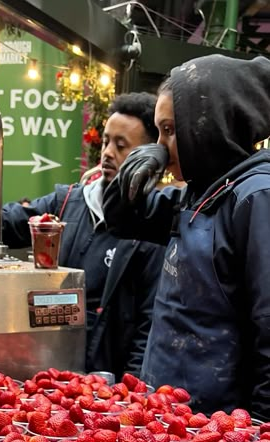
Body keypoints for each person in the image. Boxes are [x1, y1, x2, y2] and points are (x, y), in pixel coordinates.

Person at [0, 93, 165, 381]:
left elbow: (149, 322)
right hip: (54, 367)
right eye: (106, 141)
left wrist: (132, 390)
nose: (107, 153)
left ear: (146, 156)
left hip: (107, 379)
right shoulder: (67, 202)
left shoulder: (152, 224)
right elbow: (4, 224)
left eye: (121, 146)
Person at [103, 54, 270, 419]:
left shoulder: (256, 197)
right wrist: (132, 173)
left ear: (211, 126)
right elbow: (122, 220)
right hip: (168, 411)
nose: (162, 147)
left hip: (216, 431)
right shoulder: (197, 193)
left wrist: (258, 436)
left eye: (170, 130)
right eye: (158, 133)